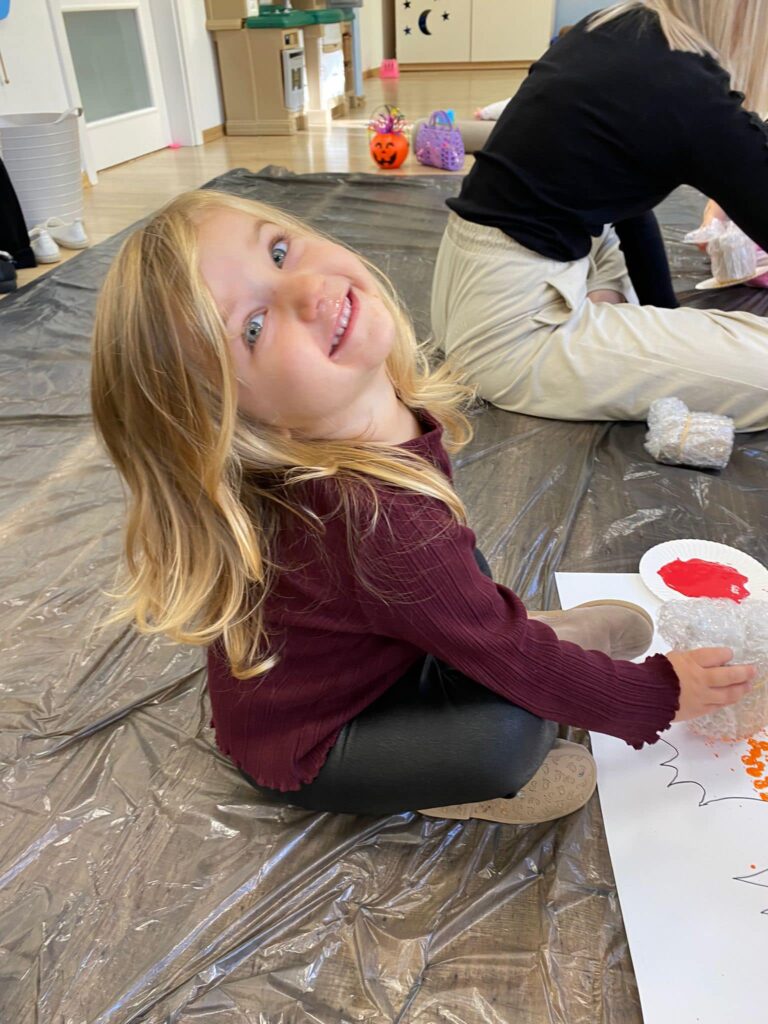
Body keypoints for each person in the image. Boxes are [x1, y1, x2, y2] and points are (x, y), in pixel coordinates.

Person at [90, 189, 756, 824]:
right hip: (320, 739)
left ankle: (517, 645)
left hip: (381, 651)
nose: (308, 290)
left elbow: (448, 586)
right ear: (236, 424)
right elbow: (465, 614)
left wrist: (494, 637)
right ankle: (460, 766)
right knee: (507, 738)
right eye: (254, 328)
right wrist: (657, 695)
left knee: (472, 589)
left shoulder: (360, 415)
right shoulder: (379, 524)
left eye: (279, 251)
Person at [431, 0, 768, 430]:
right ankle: (587, 327)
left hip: (472, 286)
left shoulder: (617, 25)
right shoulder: (687, 86)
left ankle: (597, 319)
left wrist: (665, 316)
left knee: (608, 243)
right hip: (509, 333)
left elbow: (629, 210)